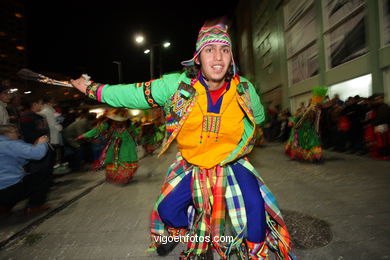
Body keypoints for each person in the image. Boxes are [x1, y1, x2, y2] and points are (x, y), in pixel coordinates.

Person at [71, 20, 294, 260]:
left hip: (231, 163)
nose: (218, 57)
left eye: (225, 50)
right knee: (167, 210)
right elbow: (133, 93)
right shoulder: (177, 85)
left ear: (232, 58)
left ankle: (255, 254)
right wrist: (91, 89)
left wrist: (251, 113)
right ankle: (181, 232)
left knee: (255, 206)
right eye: (210, 50)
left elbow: (258, 117)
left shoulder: (244, 89)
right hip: (193, 164)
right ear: (197, 58)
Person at [77, 108, 139, 184]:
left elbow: (135, 132)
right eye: (116, 119)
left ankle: (125, 177)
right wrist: (84, 135)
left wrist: (138, 136)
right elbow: (97, 130)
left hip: (127, 144)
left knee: (125, 159)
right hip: (114, 144)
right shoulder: (108, 124)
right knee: (112, 159)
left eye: (121, 119)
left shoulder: (129, 125)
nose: (118, 122)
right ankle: (117, 176)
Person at [0, 124, 50, 217]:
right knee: (42, 175)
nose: (18, 135)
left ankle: (3, 208)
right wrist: (42, 142)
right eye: (16, 132)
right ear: (7, 133)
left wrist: (34, 147)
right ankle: (34, 206)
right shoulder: (10, 144)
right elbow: (38, 154)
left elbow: (19, 160)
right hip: (9, 189)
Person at [284, 87, 327, 162]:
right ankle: (303, 156)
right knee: (302, 144)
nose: (316, 106)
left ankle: (315, 156)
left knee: (313, 142)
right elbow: (300, 118)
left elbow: (316, 122)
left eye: (318, 104)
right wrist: (295, 124)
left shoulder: (318, 112)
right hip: (302, 129)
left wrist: (316, 131)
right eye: (315, 104)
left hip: (310, 129)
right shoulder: (308, 110)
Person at [38, 96, 63, 167]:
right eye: (53, 102)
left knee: (53, 153)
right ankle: (55, 166)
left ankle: (55, 165)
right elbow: (52, 125)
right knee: (53, 153)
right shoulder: (48, 111)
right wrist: (59, 127)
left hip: (51, 136)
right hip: (52, 136)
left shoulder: (48, 110)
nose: (54, 104)